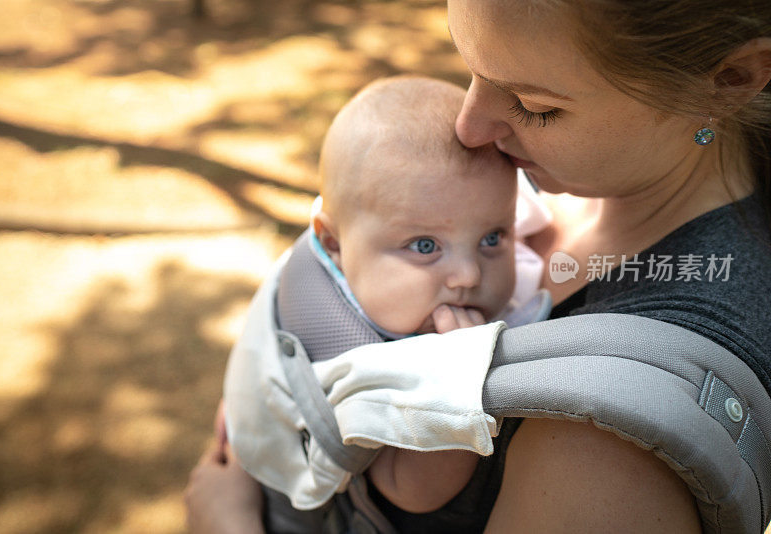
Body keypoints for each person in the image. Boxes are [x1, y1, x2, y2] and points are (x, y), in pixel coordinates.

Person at [187, 0, 771, 532]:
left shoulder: (609, 446)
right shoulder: (565, 182)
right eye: (469, 66)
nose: (468, 127)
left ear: (727, 82)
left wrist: (226, 524)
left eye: (535, 105)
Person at [221, 75, 553, 524]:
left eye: (493, 237)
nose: (468, 275)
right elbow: (408, 491)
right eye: (424, 247)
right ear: (333, 243)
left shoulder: (413, 235)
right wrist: (456, 383)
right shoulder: (350, 354)